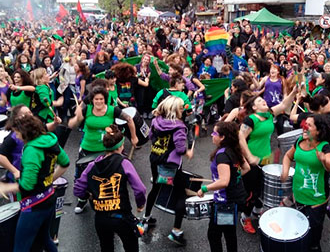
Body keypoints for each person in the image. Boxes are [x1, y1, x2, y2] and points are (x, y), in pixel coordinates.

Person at [0, 114, 69, 252]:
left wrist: (5, 187)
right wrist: (49, 180)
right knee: (45, 239)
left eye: (16, 132)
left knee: (20, 248)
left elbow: (27, 186)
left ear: (24, 132)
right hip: (49, 196)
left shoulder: (32, 150)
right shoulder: (49, 140)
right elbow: (65, 163)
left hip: (34, 206)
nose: (15, 135)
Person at [74, 125, 146, 252]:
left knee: (106, 248)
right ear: (120, 146)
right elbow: (140, 189)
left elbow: (78, 189)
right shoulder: (124, 163)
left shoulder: (92, 165)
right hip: (122, 216)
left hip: (101, 218)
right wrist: (140, 204)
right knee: (131, 247)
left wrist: (88, 196)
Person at [68, 86, 138, 213]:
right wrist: (75, 118)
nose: (99, 102)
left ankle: (108, 200)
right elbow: (72, 124)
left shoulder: (113, 110)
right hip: (88, 148)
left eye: (101, 99)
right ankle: (82, 199)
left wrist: (134, 137)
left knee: (106, 177)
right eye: (96, 99)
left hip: (107, 150)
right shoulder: (86, 109)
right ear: (92, 100)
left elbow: (129, 119)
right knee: (82, 176)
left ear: (105, 99)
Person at [238, 90, 295, 234]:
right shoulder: (251, 120)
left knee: (263, 188)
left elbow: (283, 105)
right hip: (251, 161)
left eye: (263, 99)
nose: (263, 100)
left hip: (267, 158)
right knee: (252, 191)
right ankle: (245, 217)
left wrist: (294, 92)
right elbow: (240, 138)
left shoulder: (269, 114)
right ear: (254, 107)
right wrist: (249, 157)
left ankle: (257, 210)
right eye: (259, 101)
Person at [141, 96, 194, 246]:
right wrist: (187, 152)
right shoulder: (179, 127)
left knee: (155, 187)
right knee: (181, 194)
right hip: (171, 164)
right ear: (175, 109)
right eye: (181, 107)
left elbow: (151, 137)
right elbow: (180, 148)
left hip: (155, 159)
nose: (183, 110)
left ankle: (146, 218)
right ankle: (176, 231)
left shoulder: (156, 121)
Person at [280, 114, 330, 252]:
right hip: (298, 195)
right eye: (305, 124)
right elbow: (288, 156)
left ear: (319, 131)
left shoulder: (325, 147)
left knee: (312, 240)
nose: (304, 127)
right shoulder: (299, 141)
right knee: (298, 232)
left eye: (309, 125)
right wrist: (285, 172)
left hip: (316, 201)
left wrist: (323, 159)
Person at [196, 121, 249, 252]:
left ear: (223, 137)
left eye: (215, 133)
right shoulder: (234, 149)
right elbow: (246, 168)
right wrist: (233, 177)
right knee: (229, 234)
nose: (212, 135)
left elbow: (224, 181)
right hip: (234, 199)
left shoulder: (222, 155)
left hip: (225, 202)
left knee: (214, 235)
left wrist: (204, 189)